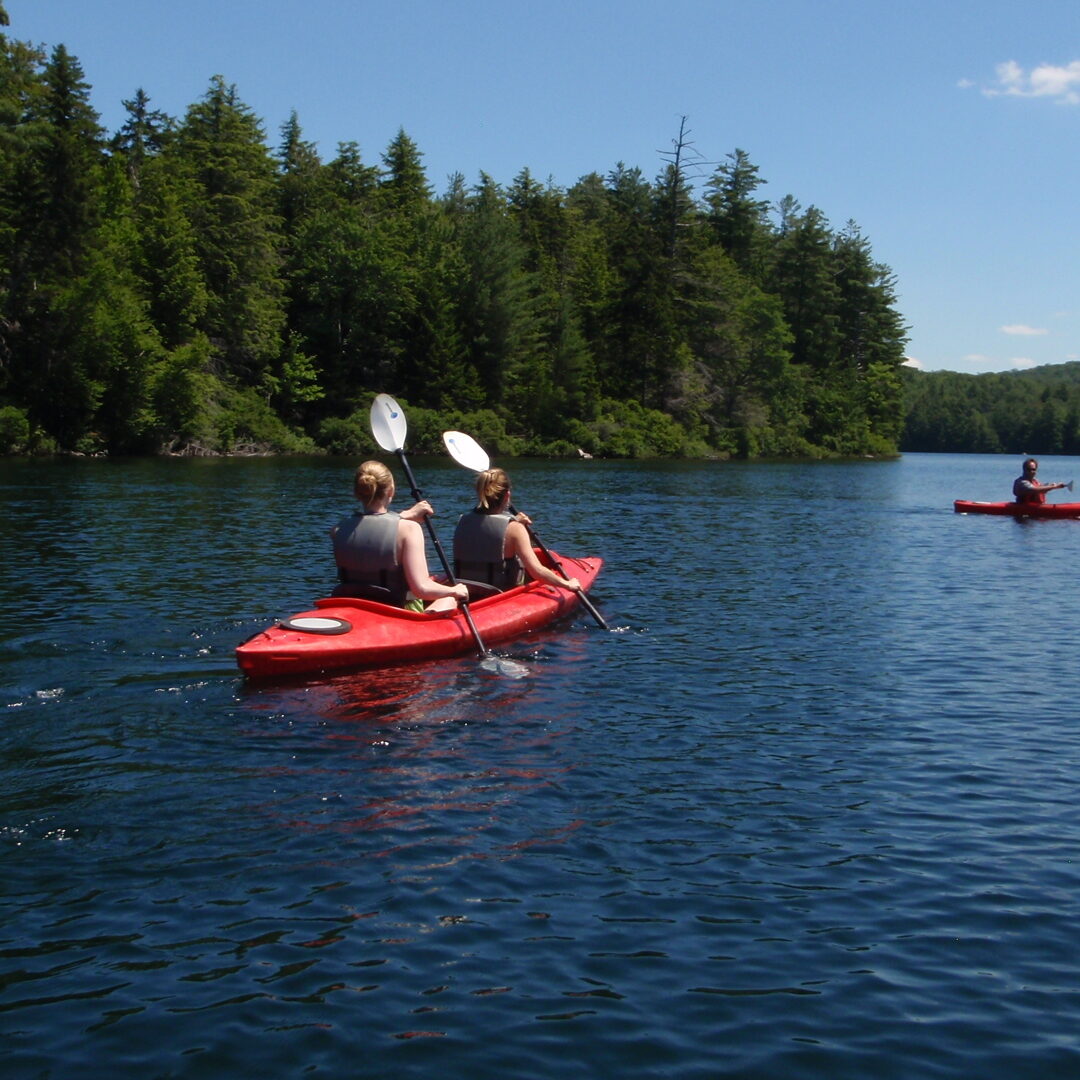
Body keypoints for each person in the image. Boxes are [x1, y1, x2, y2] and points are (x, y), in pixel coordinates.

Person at [330, 461, 469, 612]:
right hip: (396, 613)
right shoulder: (409, 530)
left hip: (352, 609)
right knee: (451, 598)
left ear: (356, 492)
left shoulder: (338, 530)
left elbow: (371, 526)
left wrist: (404, 515)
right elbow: (421, 589)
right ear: (390, 491)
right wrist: (455, 590)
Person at [453, 467, 581, 594]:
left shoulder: (462, 521)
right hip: (500, 594)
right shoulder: (515, 529)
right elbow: (537, 572)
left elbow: (488, 535)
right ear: (507, 495)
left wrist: (515, 520)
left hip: (467, 590)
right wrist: (568, 584)